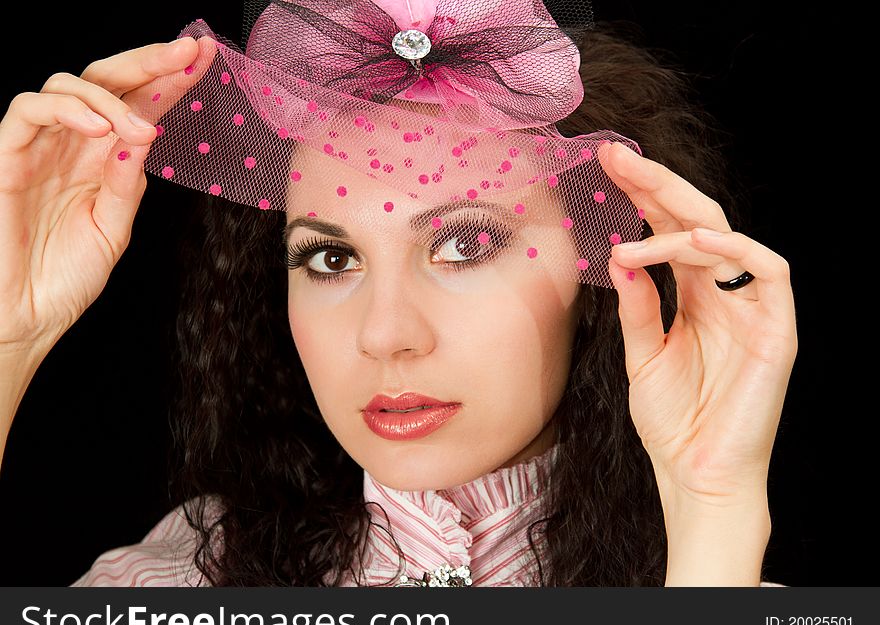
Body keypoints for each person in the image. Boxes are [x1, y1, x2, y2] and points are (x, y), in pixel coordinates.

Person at [0, 1, 795, 587]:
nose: (385, 334)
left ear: (605, 267)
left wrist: (712, 505)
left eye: (465, 243)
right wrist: (10, 334)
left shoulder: (719, 588)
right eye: (330, 257)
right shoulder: (181, 583)